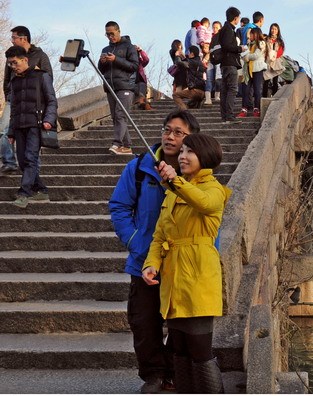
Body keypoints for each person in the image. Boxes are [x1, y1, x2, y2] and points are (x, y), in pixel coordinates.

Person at [109, 109, 202, 393]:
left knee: (180, 323)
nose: (170, 136)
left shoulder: (198, 174)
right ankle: (154, 374)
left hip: (182, 263)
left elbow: (209, 216)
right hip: (145, 261)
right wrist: (137, 242)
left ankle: (174, 372)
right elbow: (119, 207)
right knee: (144, 322)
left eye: (178, 132)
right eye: (167, 129)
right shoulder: (140, 167)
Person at [142, 133, 231, 394]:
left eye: (189, 152)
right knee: (178, 348)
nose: (182, 156)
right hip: (173, 279)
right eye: (182, 152)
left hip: (198, 278)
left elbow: (203, 203)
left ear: (205, 157)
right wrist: (151, 264)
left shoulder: (213, 188)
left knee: (200, 350)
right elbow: (160, 235)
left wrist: (174, 181)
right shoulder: (173, 192)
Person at [4, 45, 57, 209]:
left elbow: (52, 101)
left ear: (25, 59)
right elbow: (13, 108)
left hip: (36, 124)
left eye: (15, 63)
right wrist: (11, 131)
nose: (13, 67)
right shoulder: (14, 81)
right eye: (10, 64)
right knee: (22, 161)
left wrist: (49, 119)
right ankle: (41, 190)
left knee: (30, 158)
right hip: (19, 126)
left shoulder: (42, 76)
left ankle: (24, 193)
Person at [1, 25, 52, 176]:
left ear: (23, 38)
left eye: (14, 38)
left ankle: (33, 173)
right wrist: (9, 95)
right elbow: (6, 79)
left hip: (33, 103)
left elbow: (48, 76)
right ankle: (9, 162)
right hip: (15, 100)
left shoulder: (40, 55)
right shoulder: (12, 56)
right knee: (3, 129)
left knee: (32, 141)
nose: (12, 41)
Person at [98, 21, 139, 156]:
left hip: (125, 86)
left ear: (118, 31)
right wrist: (102, 62)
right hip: (110, 87)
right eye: (107, 34)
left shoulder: (129, 47)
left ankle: (117, 143)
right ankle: (126, 146)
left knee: (121, 115)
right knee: (117, 117)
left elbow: (134, 66)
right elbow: (101, 70)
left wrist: (116, 59)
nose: (110, 36)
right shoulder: (105, 49)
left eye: (112, 33)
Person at [220, 6, 247, 124]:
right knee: (232, 89)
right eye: (238, 17)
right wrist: (239, 48)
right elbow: (226, 46)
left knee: (226, 90)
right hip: (230, 63)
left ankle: (225, 116)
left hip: (225, 63)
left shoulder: (225, 28)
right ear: (235, 18)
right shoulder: (228, 29)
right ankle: (229, 116)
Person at [238, 27, 267, 118]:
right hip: (247, 70)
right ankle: (244, 109)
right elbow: (243, 55)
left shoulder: (261, 43)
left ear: (256, 34)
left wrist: (246, 57)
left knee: (257, 90)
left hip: (257, 69)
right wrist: (245, 56)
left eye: (251, 34)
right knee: (245, 90)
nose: (249, 36)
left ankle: (256, 109)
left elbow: (255, 56)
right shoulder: (248, 44)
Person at [173, 45, 206, 110]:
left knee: (175, 95)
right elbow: (188, 63)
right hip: (202, 91)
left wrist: (177, 56)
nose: (187, 54)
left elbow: (179, 63)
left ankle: (184, 111)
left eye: (189, 52)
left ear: (192, 54)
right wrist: (183, 56)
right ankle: (196, 103)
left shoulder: (192, 62)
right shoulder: (199, 62)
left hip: (195, 91)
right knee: (189, 105)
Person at [263, 23, 285, 98]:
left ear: (278, 31)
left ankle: (274, 96)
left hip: (276, 61)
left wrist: (275, 56)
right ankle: (264, 97)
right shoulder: (266, 39)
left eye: (275, 29)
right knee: (266, 80)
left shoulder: (280, 41)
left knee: (275, 81)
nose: (273, 30)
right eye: (272, 29)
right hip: (267, 61)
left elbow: (281, 51)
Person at [133, 44, 152, 110]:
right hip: (131, 82)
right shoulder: (128, 62)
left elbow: (146, 59)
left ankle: (143, 105)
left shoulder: (140, 61)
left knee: (142, 95)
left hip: (141, 81)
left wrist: (141, 51)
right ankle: (141, 105)